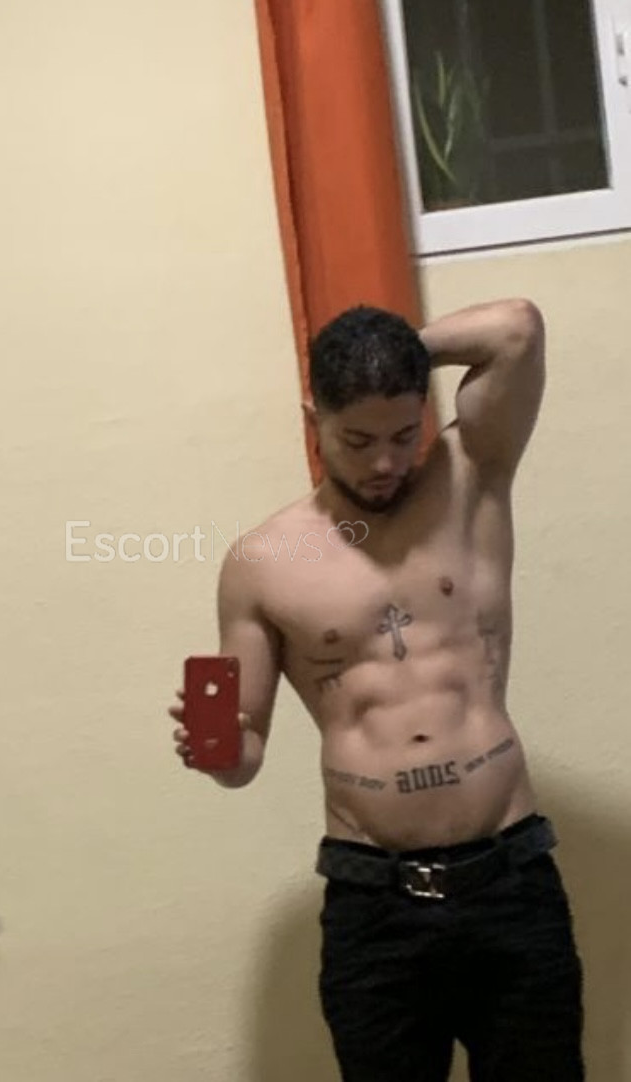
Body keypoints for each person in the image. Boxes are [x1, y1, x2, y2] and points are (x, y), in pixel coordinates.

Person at [168, 300, 584, 1081]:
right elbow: (243, 755)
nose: (386, 462)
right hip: (374, 907)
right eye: (358, 440)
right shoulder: (262, 562)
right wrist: (215, 751)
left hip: (510, 884)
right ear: (315, 418)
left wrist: (387, 352)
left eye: (403, 434)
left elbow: (516, 330)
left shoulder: (471, 479)